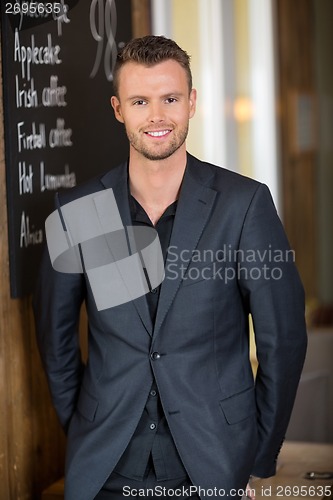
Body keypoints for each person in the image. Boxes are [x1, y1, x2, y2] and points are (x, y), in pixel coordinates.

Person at [33, 35, 307, 500]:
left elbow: (284, 340)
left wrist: (260, 450)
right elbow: (54, 339)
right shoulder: (78, 212)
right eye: (140, 101)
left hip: (214, 463)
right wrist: (85, 419)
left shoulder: (244, 205)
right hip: (103, 467)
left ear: (192, 103)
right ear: (119, 108)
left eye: (170, 99)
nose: (156, 116)